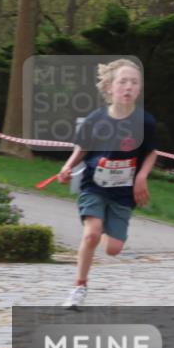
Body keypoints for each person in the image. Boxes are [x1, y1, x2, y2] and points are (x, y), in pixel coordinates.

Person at [59, 60, 158, 309]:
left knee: (113, 249)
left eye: (134, 83)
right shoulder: (96, 119)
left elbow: (152, 153)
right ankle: (79, 286)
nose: (128, 87)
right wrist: (68, 166)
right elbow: (82, 148)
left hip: (123, 193)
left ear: (140, 89)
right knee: (91, 233)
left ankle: (103, 228)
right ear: (109, 87)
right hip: (94, 185)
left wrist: (142, 177)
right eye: (122, 82)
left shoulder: (145, 122)